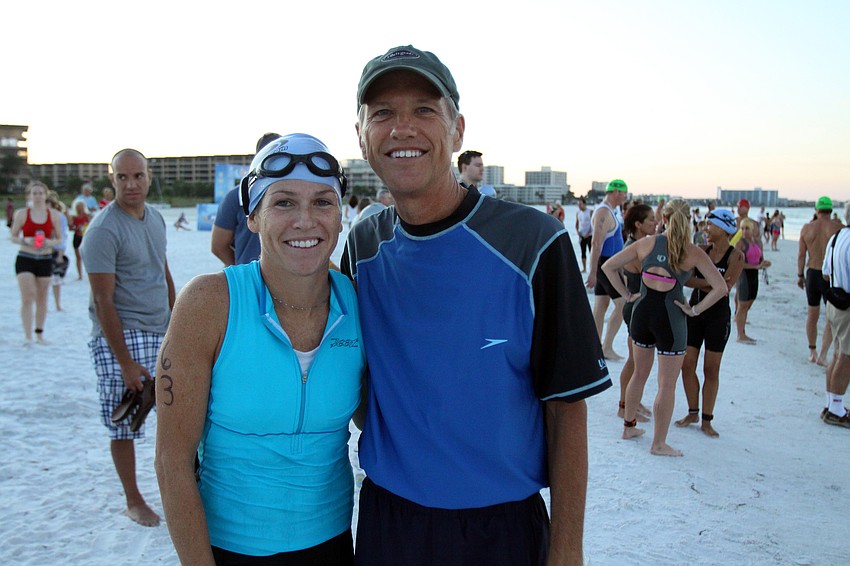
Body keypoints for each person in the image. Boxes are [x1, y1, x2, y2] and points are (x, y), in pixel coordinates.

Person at [343, 44, 610, 564]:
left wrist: (566, 550)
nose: (402, 128)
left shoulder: (534, 241)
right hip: (388, 522)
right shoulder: (364, 246)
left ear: (457, 130)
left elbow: (566, 407)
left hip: (501, 529)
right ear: (361, 135)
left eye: (424, 109)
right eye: (383, 113)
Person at [156, 133, 364, 563]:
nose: (305, 221)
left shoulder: (357, 303)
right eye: (283, 202)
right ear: (252, 217)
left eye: (322, 202)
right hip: (229, 546)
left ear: (340, 215)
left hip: (333, 542)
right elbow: (172, 462)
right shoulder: (209, 304)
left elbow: (375, 418)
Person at [82, 148, 176, 527]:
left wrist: (176, 324)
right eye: (122, 177)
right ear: (112, 180)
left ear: (149, 176)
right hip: (122, 333)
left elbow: (162, 272)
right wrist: (124, 362)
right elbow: (102, 301)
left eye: (138, 175)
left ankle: (179, 488)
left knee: (176, 411)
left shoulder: (155, 218)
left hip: (160, 327)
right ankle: (133, 500)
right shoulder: (103, 231)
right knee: (123, 421)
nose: (131, 184)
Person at [602, 199, 727, 456]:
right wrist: (695, 310)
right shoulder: (692, 252)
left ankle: (628, 427)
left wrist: (627, 295)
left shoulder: (647, 243)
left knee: (639, 374)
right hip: (671, 319)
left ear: (665, 218)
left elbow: (608, 266)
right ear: (689, 220)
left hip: (642, 314)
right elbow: (721, 288)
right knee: (666, 385)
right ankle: (658, 444)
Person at [675, 209, 744, 437]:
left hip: (717, 317)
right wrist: (714, 282)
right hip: (694, 314)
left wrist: (711, 284)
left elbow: (726, 288)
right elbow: (687, 280)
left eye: (710, 225)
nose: (706, 229)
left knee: (711, 369)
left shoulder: (736, 256)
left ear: (723, 229)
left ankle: (707, 419)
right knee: (687, 365)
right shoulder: (701, 250)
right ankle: (692, 412)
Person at [211, 133, 279, 267]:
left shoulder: (297, 194)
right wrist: (242, 270)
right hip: (249, 275)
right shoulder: (236, 196)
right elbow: (218, 246)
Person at [616, 203, 657, 423]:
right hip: (635, 308)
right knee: (634, 361)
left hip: (637, 306)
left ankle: (633, 401)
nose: (655, 222)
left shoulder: (639, 244)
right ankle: (624, 406)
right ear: (638, 224)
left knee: (637, 362)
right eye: (651, 219)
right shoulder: (635, 248)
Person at [9, 181, 64, 345]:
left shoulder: (53, 215)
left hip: (45, 258)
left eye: (41, 193)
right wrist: (25, 240)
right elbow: (12, 236)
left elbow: (59, 238)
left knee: (42, 297)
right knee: (28, 296)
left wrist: (48, 242)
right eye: (34, 193)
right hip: (25, 257)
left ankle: (39, 333)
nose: (38, 196)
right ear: (29, 196)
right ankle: (28, 335)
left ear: (46, 195)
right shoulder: (22, 214)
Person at [585, 179, 629, 361]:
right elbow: (596, 243)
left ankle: (594, 347)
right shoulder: (603, 212)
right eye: (624, 193)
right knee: (623, 303)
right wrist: (593, 272)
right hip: (606, 265)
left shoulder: (610, 210)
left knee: (601, 305)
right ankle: (607, 347)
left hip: (608, 264)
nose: (625, 197)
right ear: (616, 192)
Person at [797, 196, 844, 364]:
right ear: (831, 210)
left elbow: (801, 255)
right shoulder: (839, 228)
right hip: (830, 276)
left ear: (816, 210)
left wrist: (800, 275)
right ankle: (823, 354)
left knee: (812, 314)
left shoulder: (807, 228)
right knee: (832, 317)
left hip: (812, 273)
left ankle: (812, 352)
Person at [821, 202, 850, 428]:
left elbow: (825, 273)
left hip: (834, 302)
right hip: (847, 306)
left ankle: (832, 404)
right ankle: (836, 410)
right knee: (846, 357)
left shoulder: (837, 237)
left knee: (838, 354)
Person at [734, 218, 771, 344]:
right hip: (744, 275)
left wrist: (764, 263)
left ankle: (742, 331)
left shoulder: (758, 243)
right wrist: (756, 267)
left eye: (747, 228)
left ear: (753, 229)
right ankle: (740, 334)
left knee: (749, 303)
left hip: (754, 275)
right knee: (742, 305)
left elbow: (760, 259)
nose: (745, 231)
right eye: (742, 228)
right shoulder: (740, 244)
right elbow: (738, 263)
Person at [46, 191, 71, 311]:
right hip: (42, 251)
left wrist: (61, 253)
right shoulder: (39, 216)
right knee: (42, 280)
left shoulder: (60, 217)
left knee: (56, 279)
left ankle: (57, 304)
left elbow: (62, 236)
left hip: (55, 250)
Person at [70, 200, 92, 280]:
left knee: (88, 257)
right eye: (78, 207)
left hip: (85, 237)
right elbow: (70, 227)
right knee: (78, 256)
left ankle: (90, 273)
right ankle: (80, 274)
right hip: (77, 237)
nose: (80, 208)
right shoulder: (74, 217)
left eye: (81, 207)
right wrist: (76, 228)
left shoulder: (88, 216)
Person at [575, 198, 593, 272]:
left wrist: (588, 233)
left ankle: (592, 268)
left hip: (590, 235)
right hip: (582, 235)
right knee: (583, 252)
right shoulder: (578, 213)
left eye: (580, 204)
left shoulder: (590, 212)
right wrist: (577, 231)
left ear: (584, 204)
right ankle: (584, 268)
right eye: (578, 205)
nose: (579, 206)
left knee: (591, 252)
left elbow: (593, 223)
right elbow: (577, 224)